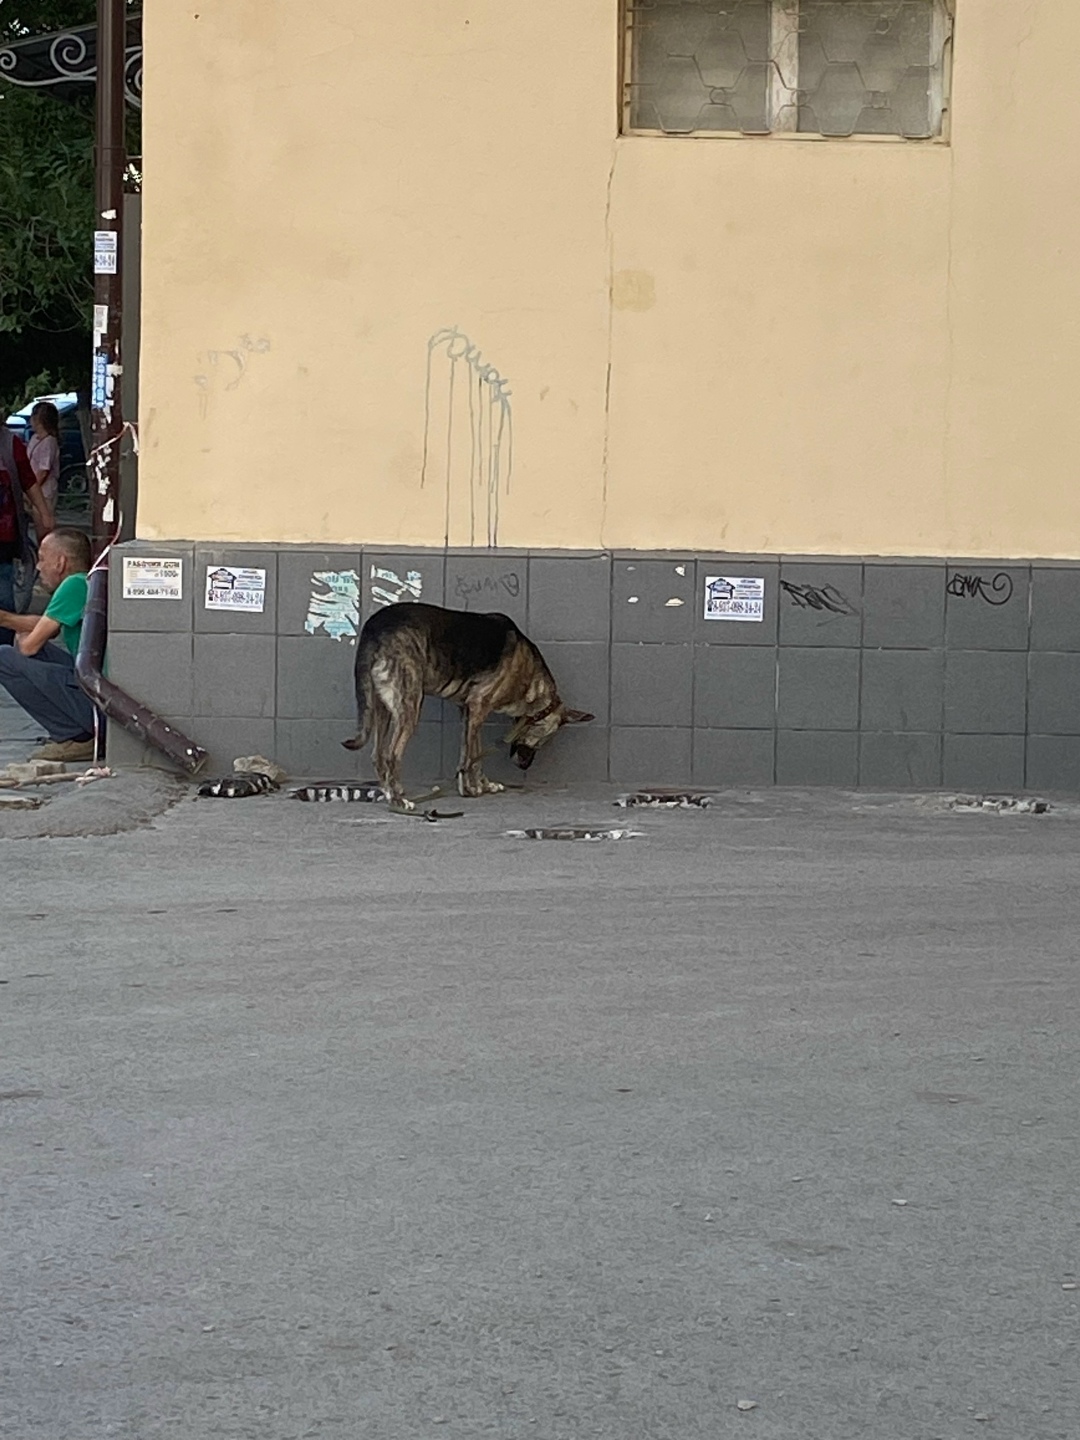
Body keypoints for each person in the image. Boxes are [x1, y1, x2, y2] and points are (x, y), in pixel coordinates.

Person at [0, 527, 98, 762]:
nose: (38, 567)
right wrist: (13, 624)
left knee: (4, 657)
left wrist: (11, 626)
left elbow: (29, 646)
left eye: (43, 559)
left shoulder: (72, 585)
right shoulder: (84, 582)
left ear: (60, 562)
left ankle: (76, 737)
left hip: (97, 705)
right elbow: (44, 624)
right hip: (94, 691)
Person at [0, 422, 52, 645]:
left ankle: (3, 655)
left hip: (3, 539)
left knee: (3, 597)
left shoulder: (9, 443)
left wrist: (44, 512)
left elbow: (27, 480)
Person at [27, 400, 61, 525]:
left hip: (44, 492)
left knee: (43, 526)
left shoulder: (49, 442)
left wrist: (31, 489)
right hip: (33, 489)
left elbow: (43, 471)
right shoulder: (34, 439)